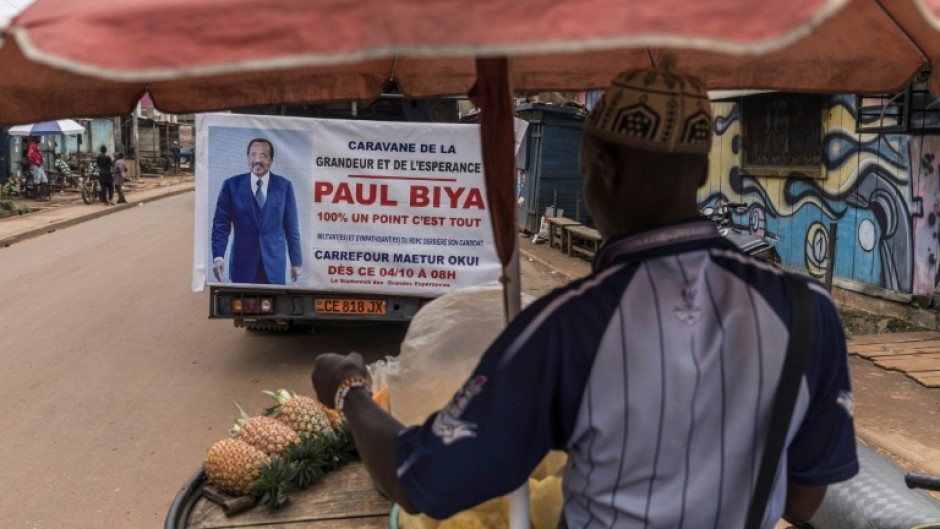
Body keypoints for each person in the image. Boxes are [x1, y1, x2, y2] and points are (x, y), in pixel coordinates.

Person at [311, 64, 859, 528]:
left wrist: (349, 389)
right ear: (698, 170)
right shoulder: (808, 309)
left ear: (600, 168)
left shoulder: (568, 326)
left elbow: (422, 477)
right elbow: (806, 494)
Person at [210, 138, 302, 284]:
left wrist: (296, 263)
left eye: (264, 156)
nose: (257, 160)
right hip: (242, 266)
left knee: (275, 306)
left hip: (274, 268)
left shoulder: (284, 186)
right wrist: (218, 257)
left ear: (271, 160)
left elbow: (292, 229)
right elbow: (221, 225)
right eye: (253, 155)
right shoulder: (231, 186)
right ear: (248, 158)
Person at [27, 137, 49, 201]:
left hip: (40, 165)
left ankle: (41, 196)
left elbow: (38, 154)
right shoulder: (32, 145)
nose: (40, 139)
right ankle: (36, 197)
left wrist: (42, 159)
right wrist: (36, 162)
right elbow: (30, 155)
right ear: (35, 138)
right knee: (36, 181)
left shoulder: (37, 145)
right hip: (35, 165)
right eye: (39, 138)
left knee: (44, 180)